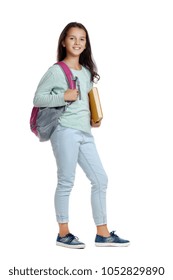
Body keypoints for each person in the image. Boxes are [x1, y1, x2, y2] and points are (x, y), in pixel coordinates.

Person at [33, 22, 130, 249]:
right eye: (73, 38)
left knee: (100, 179)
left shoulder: (86, 72)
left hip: (84, 133)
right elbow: (38, 98)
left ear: (86, 44)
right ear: (64, 42)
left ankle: (102, 233)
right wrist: (63, 96)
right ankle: (63, 234)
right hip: (64, 130)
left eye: (82, 39)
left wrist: (94, 118)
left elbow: (86, 100)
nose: (77, 43)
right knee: (66, 181)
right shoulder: (56, 71)